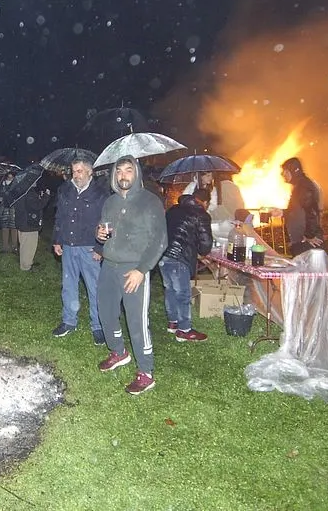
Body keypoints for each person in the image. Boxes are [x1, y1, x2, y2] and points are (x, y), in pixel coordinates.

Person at [95, 156, 168, 395]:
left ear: (136, 173)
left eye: (128, 170)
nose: (123, 175)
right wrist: (100, 236)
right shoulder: (110, 202)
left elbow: (159, 241)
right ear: (115, 176)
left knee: (136, 322)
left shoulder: (150, 202)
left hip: (134, 269)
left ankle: (146, 372)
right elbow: (104, 233)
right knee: (105, 312)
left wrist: (141, 270)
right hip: (109, 266)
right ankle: (119, 352)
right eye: (119, 171)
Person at [51, 159, 110, 345]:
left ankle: (98, 325)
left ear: (90, 172)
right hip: (68, 245)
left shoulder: (101, 194)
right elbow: (59, 216)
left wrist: (101, 248)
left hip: (90, 247)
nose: (76, 175)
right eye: (74, 171)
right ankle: (69, 321)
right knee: (69, 285)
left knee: (94, 288)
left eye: (79, 171)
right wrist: (57, 240)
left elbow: (107, 222)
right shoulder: (65, 190)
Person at [160, 194, 213, 341]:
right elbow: (205, 243)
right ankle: (184, 330)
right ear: (203, 202)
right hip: (180, 257)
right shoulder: (201, 214)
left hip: (163, 255)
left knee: (170, 289)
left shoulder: (172, 210)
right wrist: (201, 251)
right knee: (183, 294)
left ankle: (173, 322)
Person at [277, 157, 324, 256]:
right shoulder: (299, 186)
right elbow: (298, 210)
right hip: (301, 239)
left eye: (285, 172)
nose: (283, 175)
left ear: (294, 171)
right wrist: (282, 212)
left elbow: (311, 211)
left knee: (307, 269)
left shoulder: (304, 187)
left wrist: (310, 235)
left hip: (305, 241)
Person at [184, 171, 246, 236]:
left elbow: (214, 205)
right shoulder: (192, 186)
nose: (210, 178)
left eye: (211, 176)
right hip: (191, 217)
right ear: (201, 176)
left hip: (205, 217)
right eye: (208, 176)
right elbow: (184, 200)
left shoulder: (212, 189)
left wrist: (206, 205)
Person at [14, 186, 51, 271]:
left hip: (22, 222)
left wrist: (39, 197)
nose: (36, 182)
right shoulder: (28, 192)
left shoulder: (20, 190)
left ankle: (25, 262)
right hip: (29, 223)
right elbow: (36, 206)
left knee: (24, 245)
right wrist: (46, 196)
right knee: (29, 246)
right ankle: (26, 266)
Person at [0, 172, 19, 253]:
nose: (10, 179)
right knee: (5, 228)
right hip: (4, 209)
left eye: (11, 177)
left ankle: (15, 247)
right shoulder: (2, 185)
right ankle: (5, 247)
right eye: (8, 177)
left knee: (14, 228)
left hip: (13, 208)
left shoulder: (16, 185)